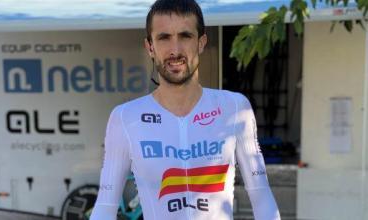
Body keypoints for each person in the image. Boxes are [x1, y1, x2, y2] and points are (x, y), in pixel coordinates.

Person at [90, 0, 281, 219]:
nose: (175, 50)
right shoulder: (125, 117)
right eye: (164, 37)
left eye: (185, 36)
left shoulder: (235, 107)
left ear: (201, 42)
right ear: (150, 47)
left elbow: (261, 195)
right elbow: (105, 205)